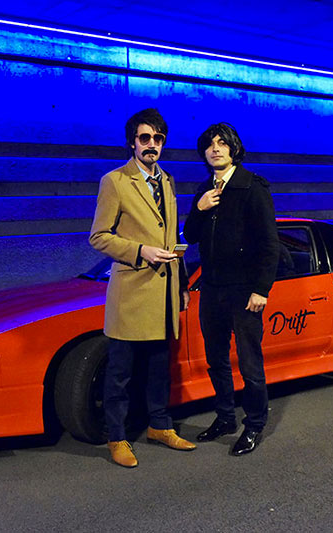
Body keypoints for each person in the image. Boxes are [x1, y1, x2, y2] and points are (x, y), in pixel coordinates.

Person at [89, 108, 195, 468]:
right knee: (120, 373)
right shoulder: (115, 181)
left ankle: (159, 426)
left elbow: (172, 236)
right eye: (145, 137)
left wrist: (181, 284)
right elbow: (99, 237)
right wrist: (140, 251)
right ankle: (116, 436)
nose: (152, 144)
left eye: (158, 138)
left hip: (164, 293)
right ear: (132, 142)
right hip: (132, 293)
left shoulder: (168, 181)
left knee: (159, 368)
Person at [183, 122, 280, 456]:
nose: (215, 148)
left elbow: (270, 243)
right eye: (210, 144)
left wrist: (261, 289)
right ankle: (225, 417)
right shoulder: (204, 189)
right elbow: (190, 236)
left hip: (244, 290)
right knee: (216, 359)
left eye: (222, 143)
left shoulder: (252, 186)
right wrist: (200, 208)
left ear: (234, 149)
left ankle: (254, 425)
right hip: (211, 288)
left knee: (250, 362)